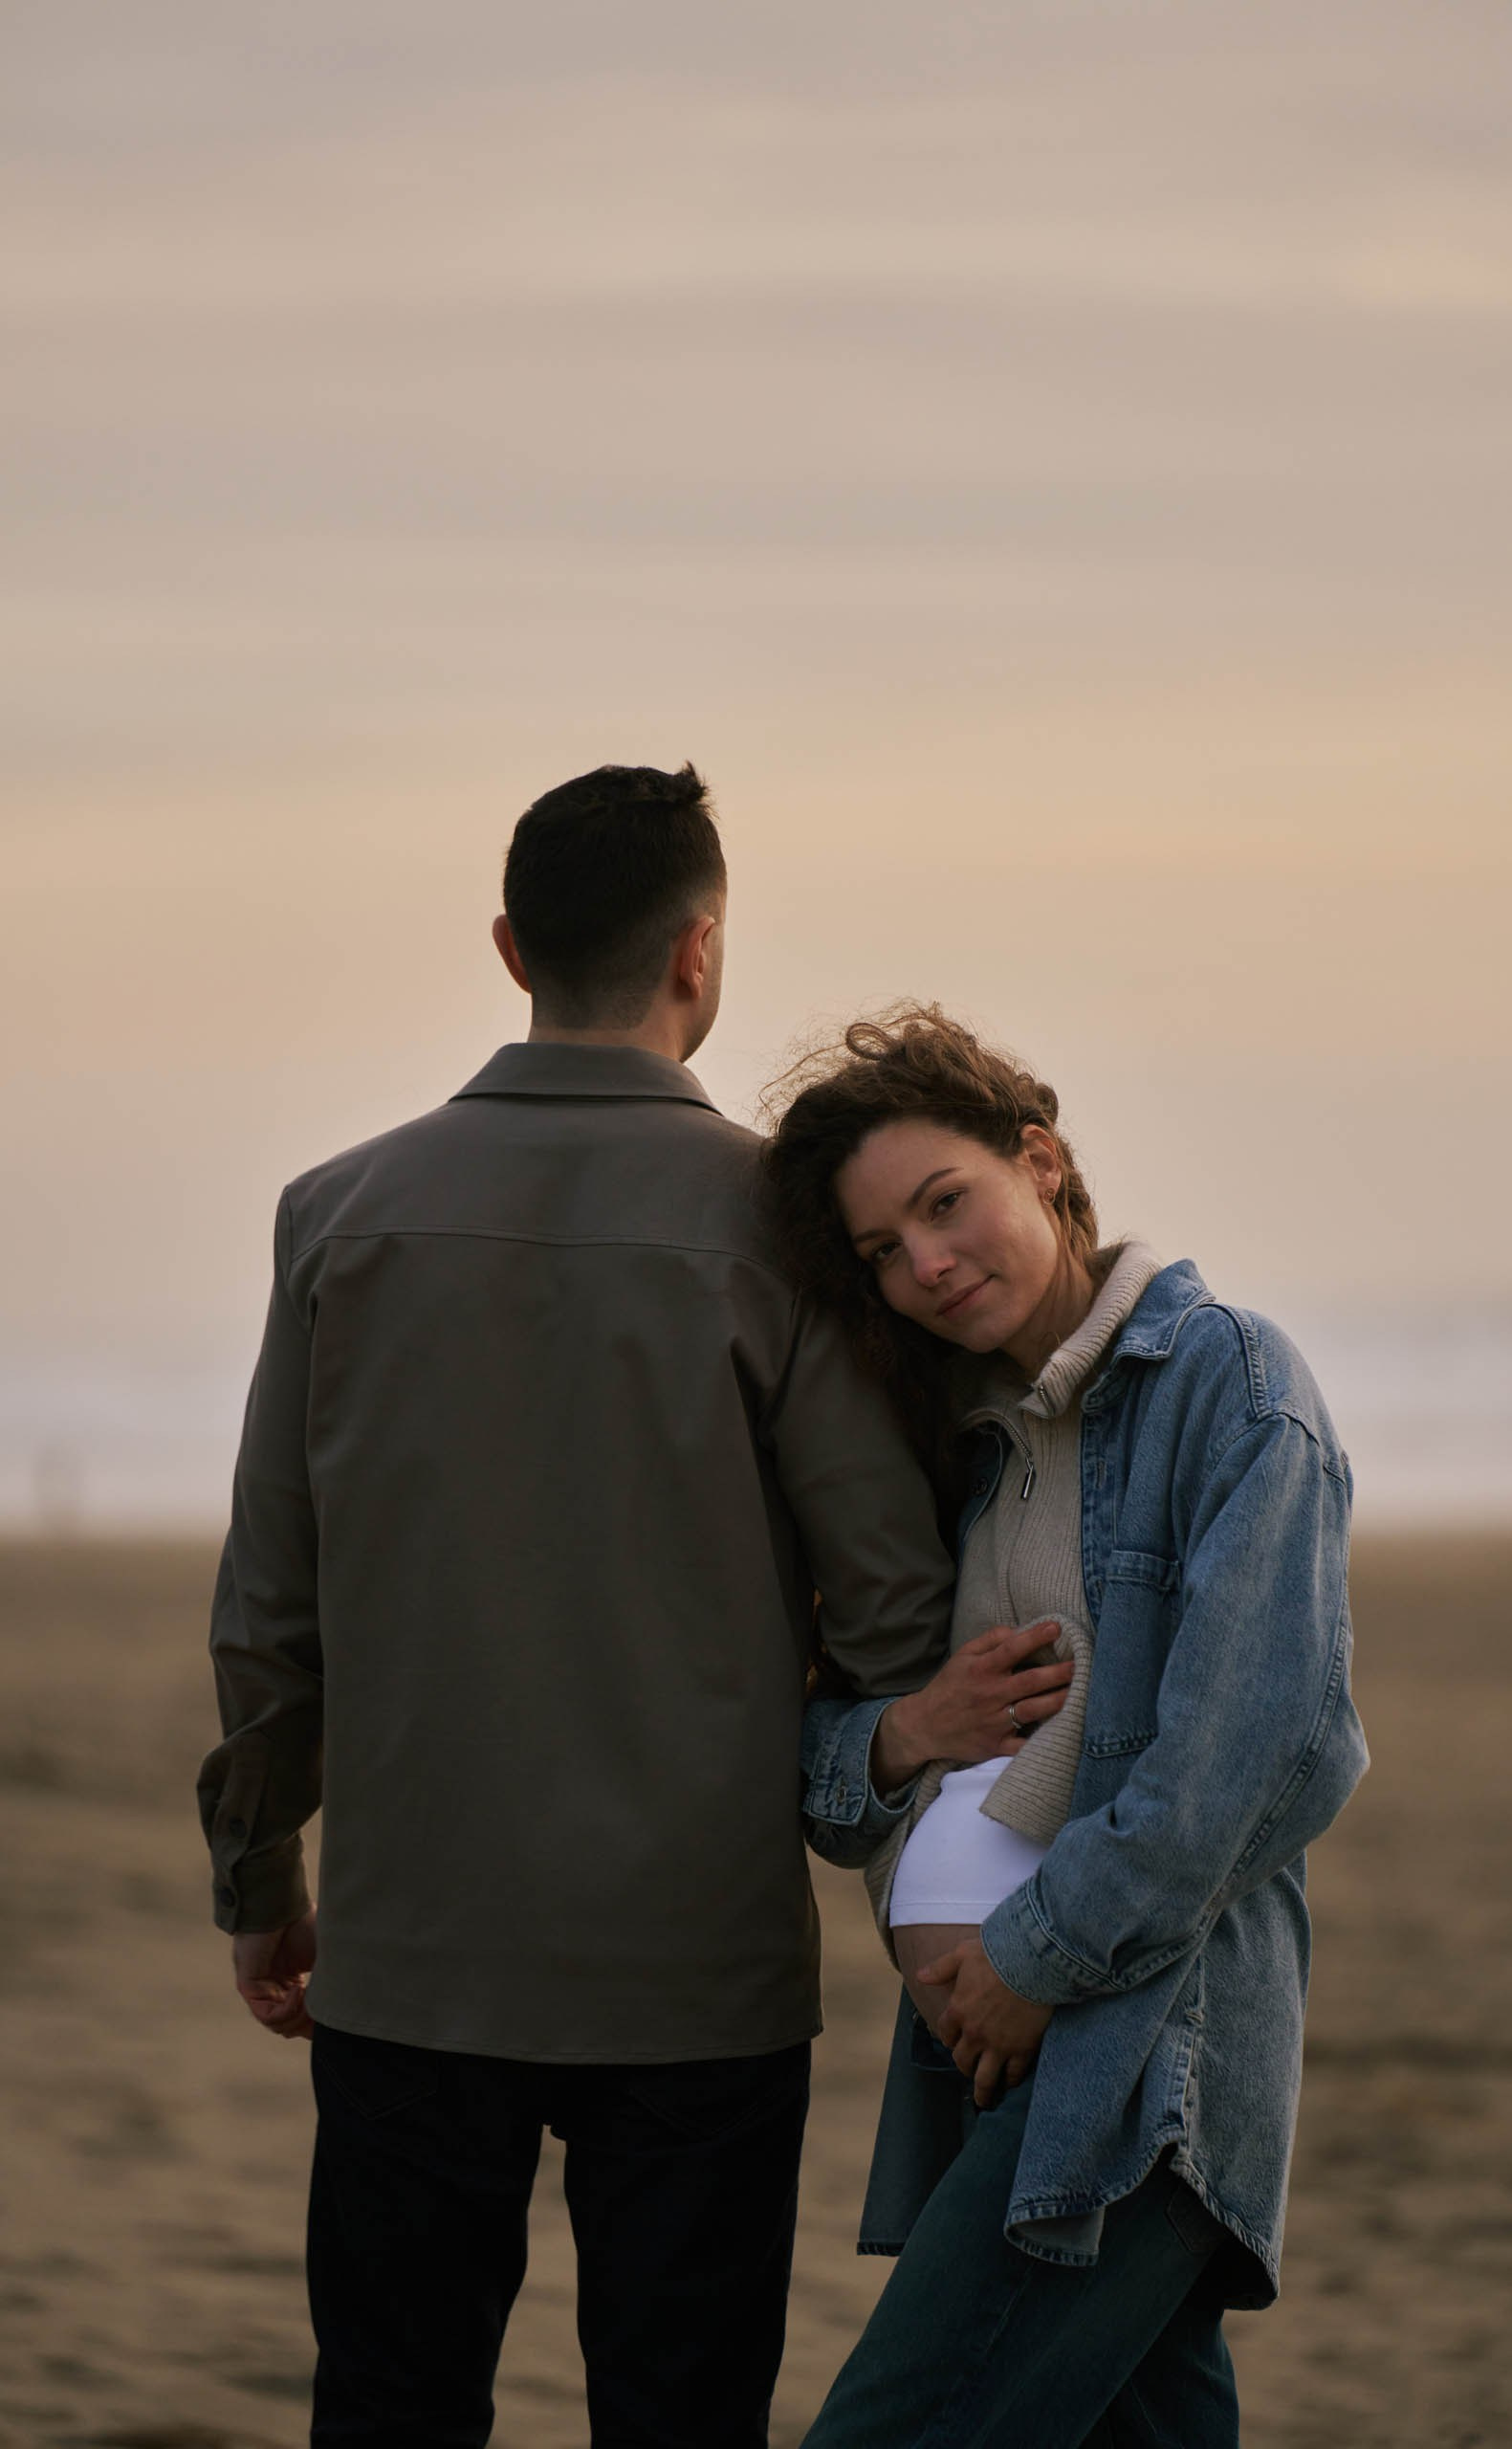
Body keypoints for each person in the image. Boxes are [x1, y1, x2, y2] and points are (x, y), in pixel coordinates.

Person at [196, 767, 1072, 2449]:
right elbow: (896, 1614)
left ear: (513, 947)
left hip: (412, 1963)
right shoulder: (781, 1230)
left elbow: (268, 1609)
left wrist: (259, 1879)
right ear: (702, 952)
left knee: (390, 2410)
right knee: (681, 2420)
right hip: (701, 1979)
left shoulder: (337, 1216)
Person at [762, 1005, 1370, 2449]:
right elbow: (831, 1778)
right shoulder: (955, 1443)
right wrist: (910, 1730)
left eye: (944, 1203)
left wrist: (1032, 1962)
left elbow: (1265, 1749)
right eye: (882, 1253)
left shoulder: (1231, 1384)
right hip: (983, 2058)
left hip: (1136, 2058)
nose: (925, 1264)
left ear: (1040, 1160)